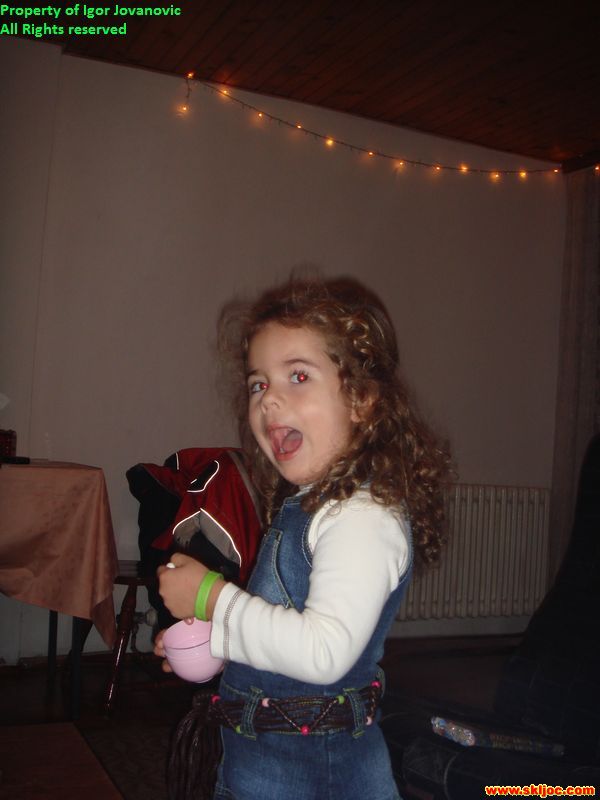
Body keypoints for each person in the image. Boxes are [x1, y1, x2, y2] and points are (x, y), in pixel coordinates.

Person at [155, 274, 451, 800]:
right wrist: (216, 640)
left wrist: (213, 599)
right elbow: (282, 630)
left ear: (362, 400)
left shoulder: (363, 516)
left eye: (297, 376)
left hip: (320, 776)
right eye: (258, 384)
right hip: (260, 769)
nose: (269, 399)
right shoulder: (309, 507)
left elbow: (324, 652)